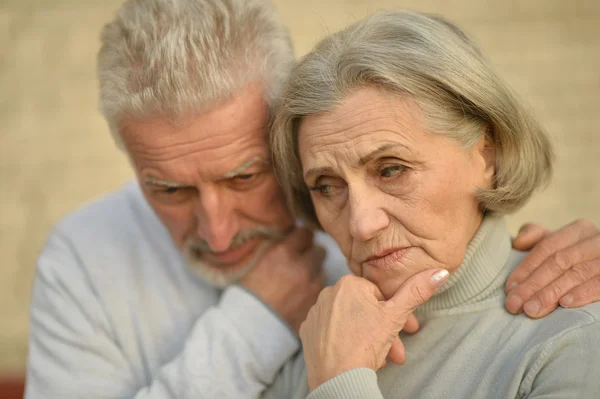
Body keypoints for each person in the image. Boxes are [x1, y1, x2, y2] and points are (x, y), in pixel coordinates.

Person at [25, 1, 600, 398]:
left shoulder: (564, 328)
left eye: (245, 176)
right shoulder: (83, 257)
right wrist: (259, 323)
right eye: (168, 189)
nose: (219, 232)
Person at [269, 9, 600, 398]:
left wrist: (339, 384)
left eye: (391, 170)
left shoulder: (573, 340)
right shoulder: (318, 334)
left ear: (486, 154)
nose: (361, 224)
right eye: (326, 186)